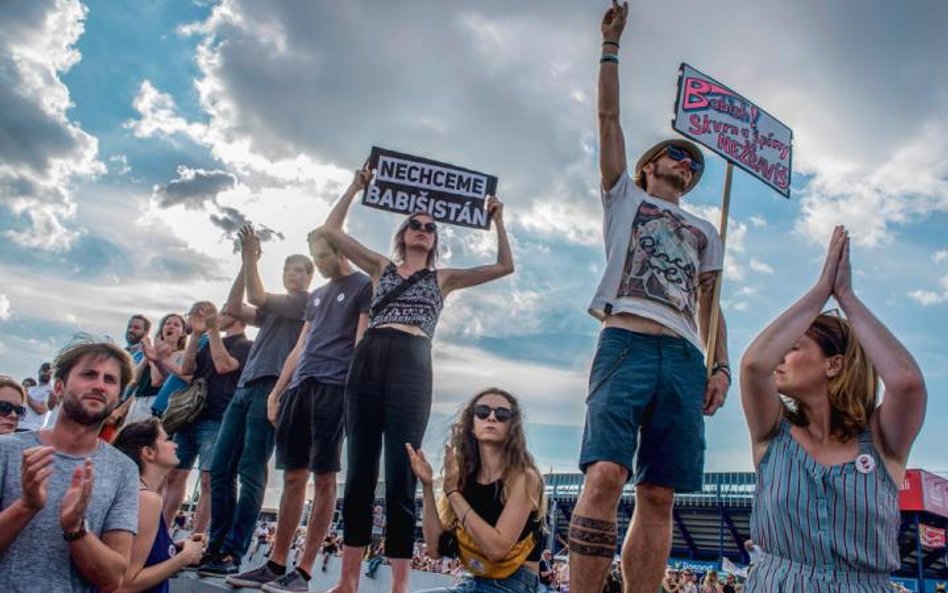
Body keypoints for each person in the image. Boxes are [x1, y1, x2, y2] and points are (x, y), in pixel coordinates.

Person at [569, 5, 730, 593]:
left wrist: (720, 365)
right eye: (677, 155)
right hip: (626, 341)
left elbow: (711, 306)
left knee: (659, 490)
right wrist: (610, 47)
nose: (686, 165)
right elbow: (607, 116)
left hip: (686, 356)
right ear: (651, 163)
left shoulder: (707, 232)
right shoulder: (624, 198)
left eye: (694, 163)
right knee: (606, 473)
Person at [320, 166, 514, 593]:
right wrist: (355, 186)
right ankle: (349, 580)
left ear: (435, 239)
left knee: (403, 470)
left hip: (413, 361)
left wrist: (498, 218)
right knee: (359, 473)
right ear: (404, 233)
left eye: (430, 227)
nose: (423, 229)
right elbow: (331, 230)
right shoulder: (380, 267)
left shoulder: (442, 278)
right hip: (370, 357)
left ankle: (399, 585)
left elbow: (504, 265)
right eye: (415, 224)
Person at [739, 227, 927, 593]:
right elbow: (753, 366)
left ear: (834, 364)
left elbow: (907, 383)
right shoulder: (771, 433)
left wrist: (847, 299)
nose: (780, 357)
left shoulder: (881, 441)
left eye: (793, 348)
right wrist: (819, 290)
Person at [225, 229, 370, 590]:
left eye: (324, 255)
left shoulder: (362, 285)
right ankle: (275, 564)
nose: (320, 263)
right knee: (293, 476)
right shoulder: (316, 296)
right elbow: (300, 345)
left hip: (334, 387)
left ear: (341, 250)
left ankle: (304, 571)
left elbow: (361, 342)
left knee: (324, 477)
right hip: (300, 387)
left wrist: (354, 393)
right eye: (315, 256)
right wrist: (277, 392)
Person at [198, 226, 312, 577]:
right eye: (288, 269)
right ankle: (215, 547)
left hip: (270, 390)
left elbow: (257, 296)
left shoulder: (302, 303)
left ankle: (233, 551)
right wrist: (243, 264)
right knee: (219, 470)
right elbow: (234, 307)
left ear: (309, 278)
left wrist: (250, 258)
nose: (292, 274)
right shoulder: (274, 309)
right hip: (244, 388)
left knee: (250, 470)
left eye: (300, 270)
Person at [0, 336, 139, 592]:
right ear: (59, 387)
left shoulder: (124, 471)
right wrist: (26, 506)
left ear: (118, 397)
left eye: (110, 380)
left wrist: (76, 529)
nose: (99, 385)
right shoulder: (6, 450)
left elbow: (114, 579)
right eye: (89, 374)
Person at [406, 388, 545, 593]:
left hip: (513, 584)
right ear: (472, 424)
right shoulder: (462, 478)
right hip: (471, 581)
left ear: (512, 426)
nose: (491, 417)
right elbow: (435, 550)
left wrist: (453, 493)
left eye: (502, 414)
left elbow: (496, 549)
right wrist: (427, 486)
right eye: (482, 412)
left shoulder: (525, 478)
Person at [162, 303, 252, 539]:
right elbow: (188, 368)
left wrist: (211, 330)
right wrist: (196, 335)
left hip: (218, 418)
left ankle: (198, 538)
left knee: (208, 480)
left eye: (224, 312)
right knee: (174, 475)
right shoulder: (208, 341)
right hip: (190, 417)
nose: (218, 316)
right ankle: (159, 534)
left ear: (239, 318)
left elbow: (224, 366)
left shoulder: (247, 345)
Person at [110, 418, 205, 592]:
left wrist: (172, 549)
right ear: (148, 452)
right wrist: (185, 557)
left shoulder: (132, 492)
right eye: (167, 439)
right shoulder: (147, 500)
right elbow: (124, 585)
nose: (175, 445)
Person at [119, 314, 189, 425]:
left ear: (183, 333)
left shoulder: (181, 355)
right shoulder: (152, 352)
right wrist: (147, 357)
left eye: (176, 325)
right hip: (137, 402)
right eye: (167, 323)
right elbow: (133, 381)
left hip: (154, 404)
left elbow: (156, 381)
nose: (171, 327)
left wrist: (156, 358)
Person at [20, 362, 52, 431]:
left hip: (30, 429)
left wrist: (25, 394)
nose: (47, 373)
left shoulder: (50, 390)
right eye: (45, 370)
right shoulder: (32, 389)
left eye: (50, 372)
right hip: (17, 425)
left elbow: (41, 410)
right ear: (39, 372)